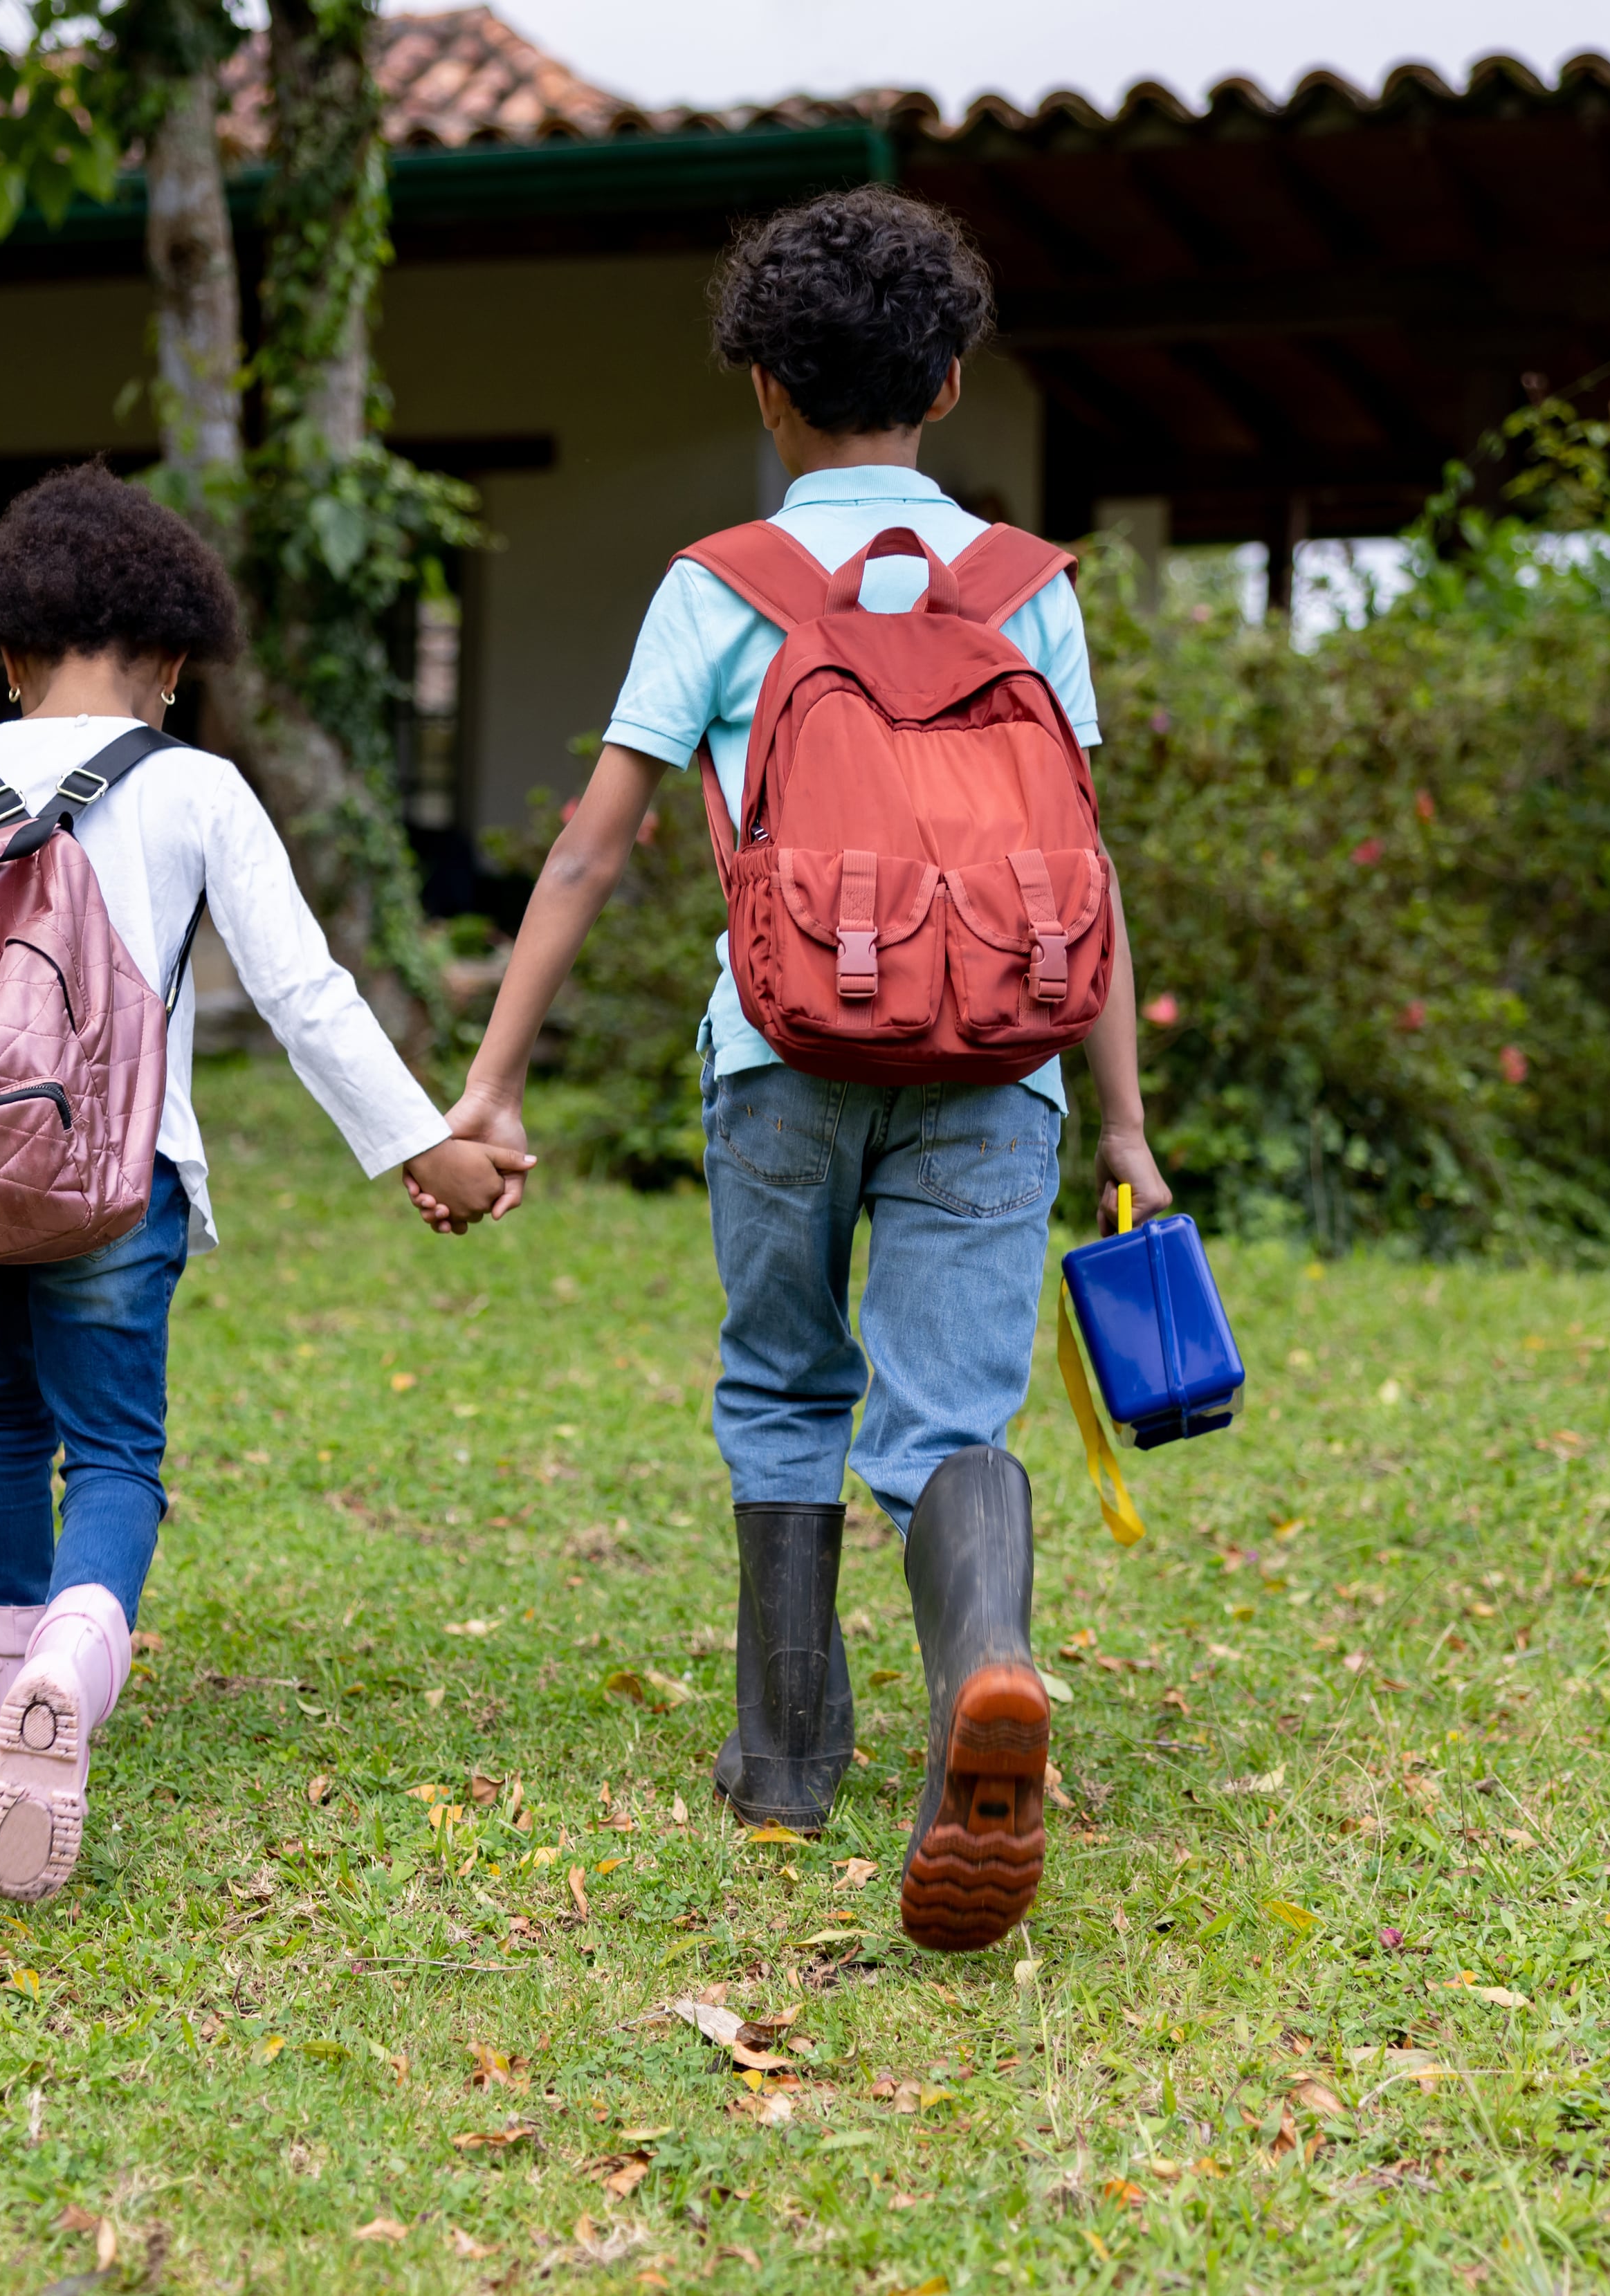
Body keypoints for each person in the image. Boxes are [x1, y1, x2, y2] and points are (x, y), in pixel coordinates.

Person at [427, 187, 1171, 1952]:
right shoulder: (1026, 589)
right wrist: (1126, 1121)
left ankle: (783, 1758)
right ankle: (981, 1667)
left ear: (763, 386)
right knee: (949, 1416)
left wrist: (492, 1084)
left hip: (778, 1046)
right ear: (951, 380)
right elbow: (1083, 866)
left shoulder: (721, 583)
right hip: (1002, 1063)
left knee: (779, 1375)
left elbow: (592, 846)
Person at [0, 463, 530, 1904]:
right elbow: (305, 995)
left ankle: (13, 1693)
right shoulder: (195, 788)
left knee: (5, 1426)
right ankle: (71, 1679)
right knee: (114, 1456)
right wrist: (424, 1146)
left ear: (10, 653)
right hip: (112, 1185)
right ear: (176, 661)